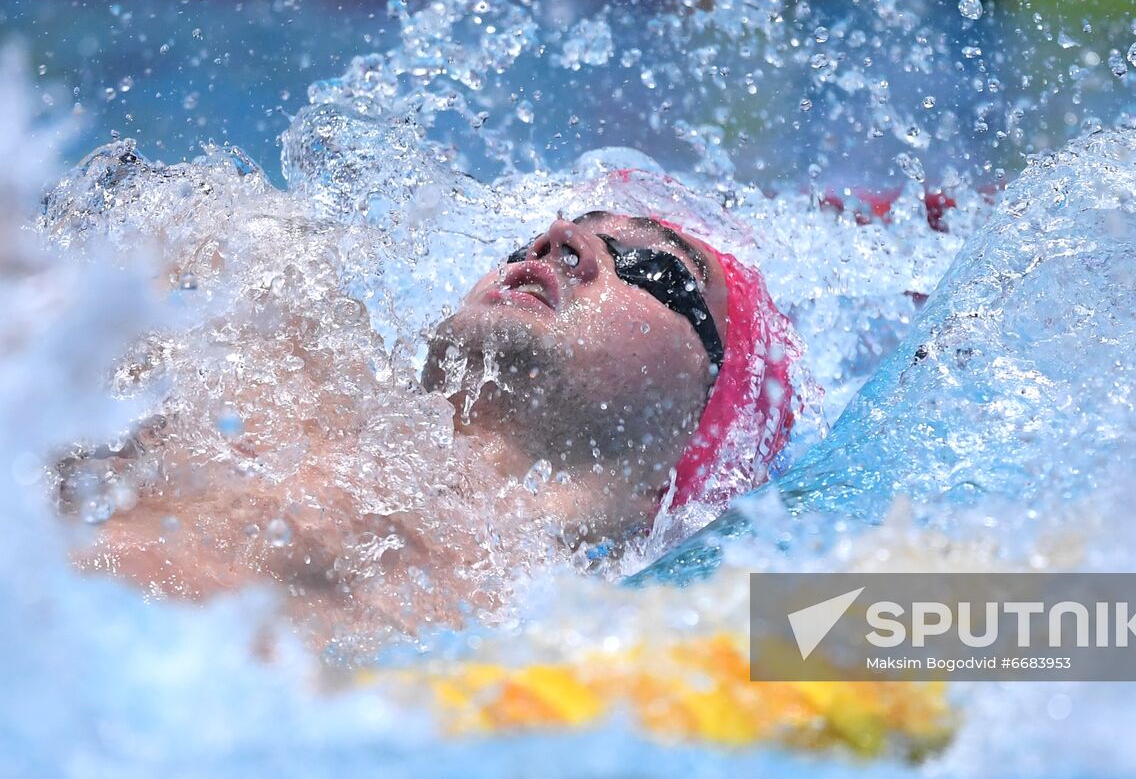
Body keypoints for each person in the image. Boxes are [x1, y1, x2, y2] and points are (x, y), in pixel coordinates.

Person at [57, 169, 798, 642]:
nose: (560, 237)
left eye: (652, 264)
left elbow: (905, 632)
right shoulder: (268, 361)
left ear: (689, 445)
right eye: (570, 225)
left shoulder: (624, 627)